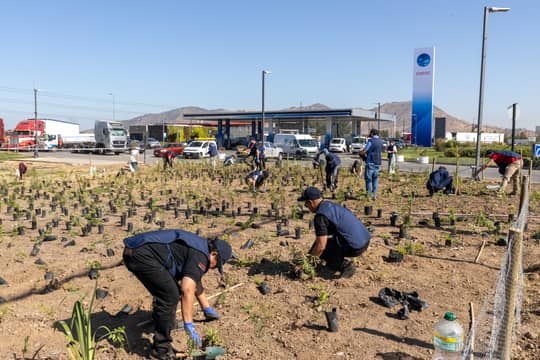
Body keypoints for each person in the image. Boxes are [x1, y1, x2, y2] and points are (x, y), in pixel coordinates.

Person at [123, 229, 232, 360]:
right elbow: (187, 289)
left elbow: (195, 281)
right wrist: (189, 324)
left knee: (166, 289)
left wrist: (207, 308)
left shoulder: (200, 247)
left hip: (138, 251)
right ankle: (161, 350)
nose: (213, 268)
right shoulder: (201, 256)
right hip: (141, 254)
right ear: (214, 254)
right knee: (170, 296)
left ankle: (165, 321)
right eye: (216, 265)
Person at [298, 186, 371, 278]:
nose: (306, 206)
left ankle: (346, 266)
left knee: (323, 249)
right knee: (321, 245)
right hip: (365, 240)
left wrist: (307, 263)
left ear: (310, 202)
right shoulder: (330, 205)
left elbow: (321, 246)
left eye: (306, 204)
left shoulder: (320, 217)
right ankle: (331, 263)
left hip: (355, 246)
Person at [360, 129, 383, 199]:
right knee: (375, 180)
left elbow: (365, 150)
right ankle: (374, 195)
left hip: (370, 162)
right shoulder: (380, 141)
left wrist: (361, 153)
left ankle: (369, 195)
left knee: (369, 179)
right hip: (378, 163)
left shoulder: (371, 141)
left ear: (372, 133)